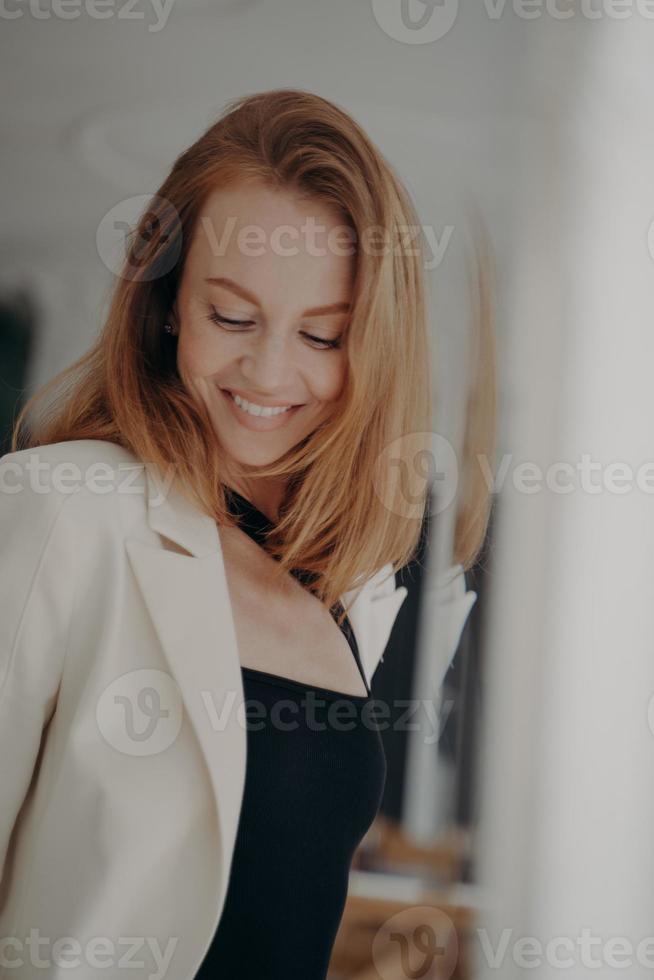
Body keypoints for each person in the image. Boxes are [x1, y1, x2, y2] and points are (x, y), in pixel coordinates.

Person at [0, 89, 495, 979]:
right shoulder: (60, 509)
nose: (269, 372)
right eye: (232, 317)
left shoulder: (347, 587)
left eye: (322, 334)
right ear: (166, 305)